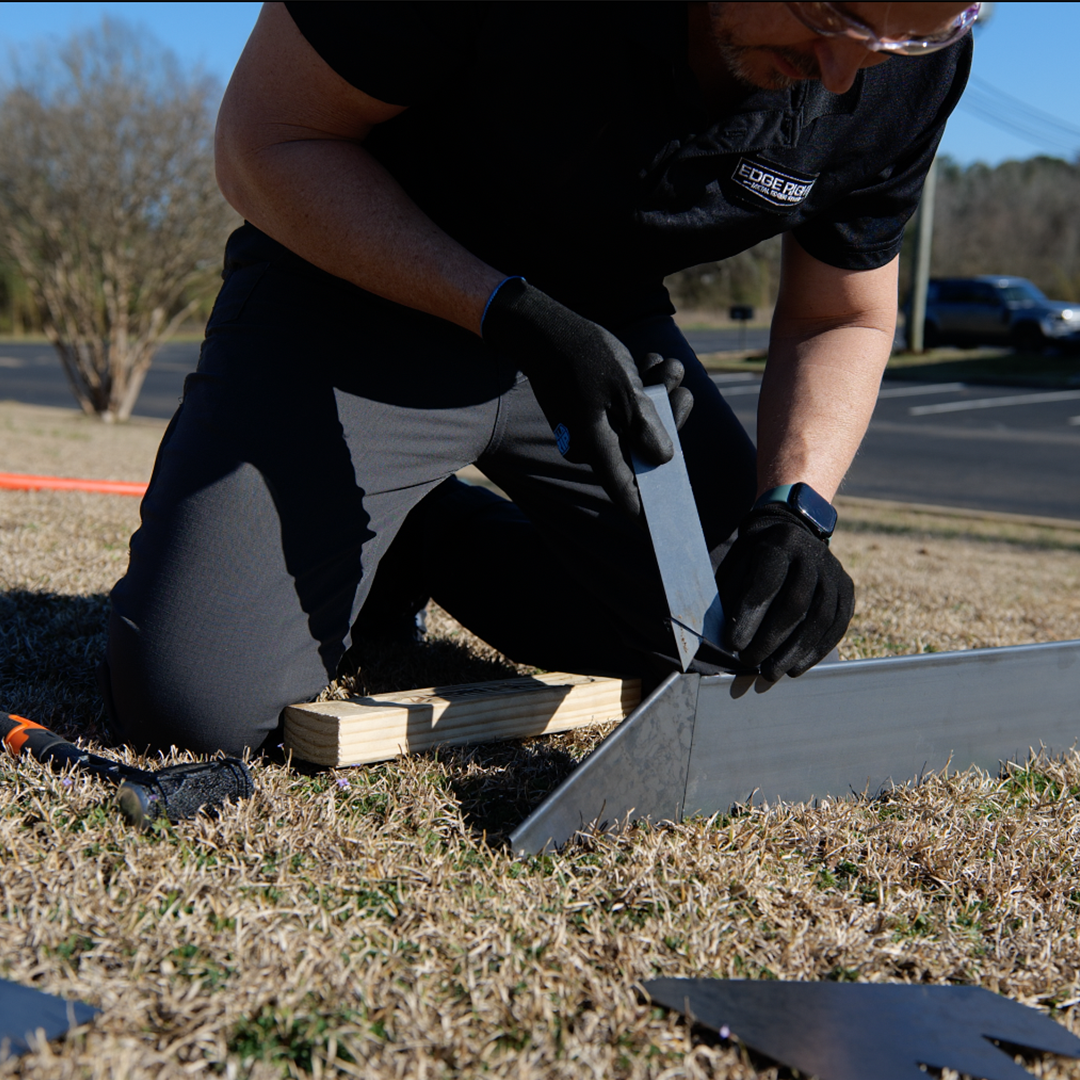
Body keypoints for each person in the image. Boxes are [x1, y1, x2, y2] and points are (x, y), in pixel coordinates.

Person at [102, 2, 976, 756]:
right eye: (833, 18)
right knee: (197, 707)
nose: (842, 72)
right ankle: (319, 491)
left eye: (902, 42)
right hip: (359, 281)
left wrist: (796, 507)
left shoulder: (903, 65)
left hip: (600, 343)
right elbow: (266, 140)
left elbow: (842, 313)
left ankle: (420, 535)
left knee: (735, 634)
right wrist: (507, 311)